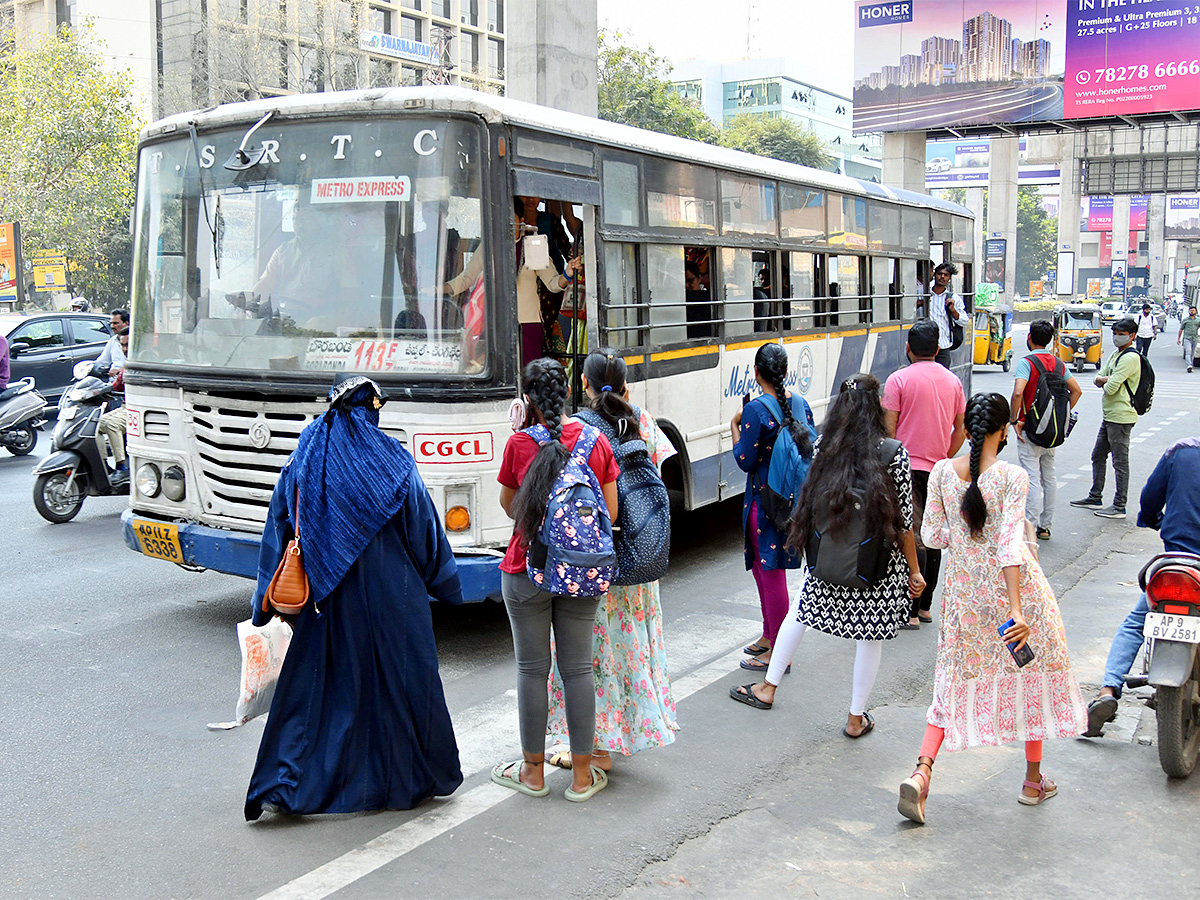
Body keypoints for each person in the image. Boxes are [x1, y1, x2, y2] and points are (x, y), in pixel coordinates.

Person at [244, 376, 464, 820]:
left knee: (319, 695)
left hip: (327, 599)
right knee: (401, 689)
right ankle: (407, 782)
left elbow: (279, 528)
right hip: (394, 596)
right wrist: (445, 584)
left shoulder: (305, 457)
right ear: (371, 411)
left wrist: (262, 603)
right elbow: (424, 528)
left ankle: (290, 788)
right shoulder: (394, 461)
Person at [896, 392, 1087, 825]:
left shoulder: (944, 472)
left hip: (964, 604)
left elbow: (933, 537)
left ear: (966, 430)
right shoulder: (1012, 478)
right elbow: (1007, 548)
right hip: (1014, 600)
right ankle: (1033, 782)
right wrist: (1018, 611)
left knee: (948, 684)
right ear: (1003, 432)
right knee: (1032, 675)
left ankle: (922, 773)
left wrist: (965, 539)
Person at [730, 374, 925, 736]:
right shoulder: (893, 453)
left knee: (801, 613)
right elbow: (904, 525)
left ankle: (768, 687)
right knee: (870, 637)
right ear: (876, 407)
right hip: (877, 565)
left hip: (828, 555)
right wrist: (914, 571)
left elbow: (809, 500)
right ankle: (855, 717)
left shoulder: (823, 447)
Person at [492, 358, 619, 802]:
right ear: (567, 391)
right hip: (582, 570)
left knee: (532, 670)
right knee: (577, 669)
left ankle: (532, 773)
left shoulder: (519, 445)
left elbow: (510, 507)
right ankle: (583, 777)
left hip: (527, 568)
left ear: (527, 398)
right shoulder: (596, 441)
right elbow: (611, 513)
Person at [546, 351, 678, 771]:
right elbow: (662, 471)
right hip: (640, 557)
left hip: (599, 562)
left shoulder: (580, 430)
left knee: (595, 655)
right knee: (632, 649)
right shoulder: (645, 421)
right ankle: (621, 734)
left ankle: (596, 748)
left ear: (581, 385)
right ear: (626, 385)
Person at [1083, 432, 1200, 736]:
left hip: (1174, 564)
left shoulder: (1181, 450)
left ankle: (1108, 690)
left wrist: (1153, 519)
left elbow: (1149, 500)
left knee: (1137, 622)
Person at [730, 343, 816, 671]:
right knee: (765, 567)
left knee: (769, 571)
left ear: (756, 373)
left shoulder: (756, 410)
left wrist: (735, 426)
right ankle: (769, 634)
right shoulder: (800, 403)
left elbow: (744, 459)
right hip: (790, 499)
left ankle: (779, 651)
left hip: (763, 501)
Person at [882, 320, 967, 629]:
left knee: (908, 533)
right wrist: (945, 455)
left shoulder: (897, 380)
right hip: (937, 469)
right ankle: (927, 606)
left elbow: (889, 429)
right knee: (932, 535)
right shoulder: (953, 382)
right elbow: (962, 428)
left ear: (908, 349)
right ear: (938, 348)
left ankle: (910, 608)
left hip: (904, 467)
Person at [1009, 319, 1083, 541]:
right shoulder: (1059, 364)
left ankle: (1029, 527)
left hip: (1030, 429)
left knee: (1031, 477)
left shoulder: (1026, 363)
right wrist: (1060, 415)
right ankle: (1045, 526)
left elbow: (1019, 392)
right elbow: (1076, 391)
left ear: (1030, 337)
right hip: (1052, 431)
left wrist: (1015, 420)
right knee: (1048, 476)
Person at [1070, 317, 1142, 520]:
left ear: (1132, 336)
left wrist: (1106, 380)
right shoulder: (1115, 355)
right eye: (1116, 334)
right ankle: (1095, 496)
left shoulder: (1130, 358)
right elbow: (1098, 377)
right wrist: (1105, 378)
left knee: (1120, 462)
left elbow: (1109, 388)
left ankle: (1119, 505)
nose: (1118, 337)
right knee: (1097, 455)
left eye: (1122, 334)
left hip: (1121, 416)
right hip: (1110, 415)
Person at [915, 262, 966, 368]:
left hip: (943, 346)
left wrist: (953, 311)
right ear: (934, 275)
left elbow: (964, 321)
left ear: (949, 278)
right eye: (939, 274)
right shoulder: (922, 293)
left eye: (946, 275)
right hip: (924, 347)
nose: (942, 277)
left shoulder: (954, 298)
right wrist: (918, 304)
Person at [97, 330, 131, 478]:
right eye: (123, 346)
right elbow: (115, 386)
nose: (125, 349)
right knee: (95, 424)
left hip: (138, 409)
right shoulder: (126, 367)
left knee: (112, 424)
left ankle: (121, 466)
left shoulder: (142, 363)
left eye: (128, 345)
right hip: (125, 406)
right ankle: (103, 465)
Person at [685, 261, 714, 339]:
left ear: (699, 278)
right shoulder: (675, 301)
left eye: (690, 280)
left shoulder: (710, 299)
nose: (686, 285)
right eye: (682, 281)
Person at [1178, 304, 1198, 373]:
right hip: (1187, 338)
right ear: (1189, 311)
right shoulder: (1185, 320)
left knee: (1192, 353)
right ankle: (1189, 365)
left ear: (1196, 311)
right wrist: (1179, 339)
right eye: (1191, 310)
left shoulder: (1198, 320)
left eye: (1193, 310)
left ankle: (1191, 365)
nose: (1192, 312)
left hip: (1195, 338)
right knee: (1188, 351)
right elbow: (1181, 329)